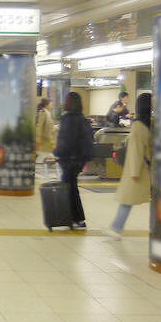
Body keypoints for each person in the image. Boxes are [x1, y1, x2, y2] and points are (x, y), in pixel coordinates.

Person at [106, 93, 153, 239]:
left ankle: (116, 228)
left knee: (127, 199)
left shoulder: (138, 125)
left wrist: (134, 172)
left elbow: (135, 150)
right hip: (148, 167)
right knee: (130, 200)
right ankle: (116, 227)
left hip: (139, 168)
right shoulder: (150, 124)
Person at [54, 92, 94, 230]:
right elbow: (89, 140)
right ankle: (74, 218)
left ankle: (77, 218)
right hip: (79, 160)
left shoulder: (67, 119)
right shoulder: (83, 119)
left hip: (68, 159)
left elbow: (65, 140)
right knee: (71, 187)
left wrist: (57, 153)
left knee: (69, 188)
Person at [35, 98, 56, 162]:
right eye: (51, 103)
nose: (52, 105)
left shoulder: (48, 113)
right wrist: (38, 140)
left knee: (48, 161)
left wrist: (57, 127)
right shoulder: (43, 113)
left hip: (49, 142)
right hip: (44, 143)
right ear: (47, 104)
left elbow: (50, 127)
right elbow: (39, 127)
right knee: (41, 160)